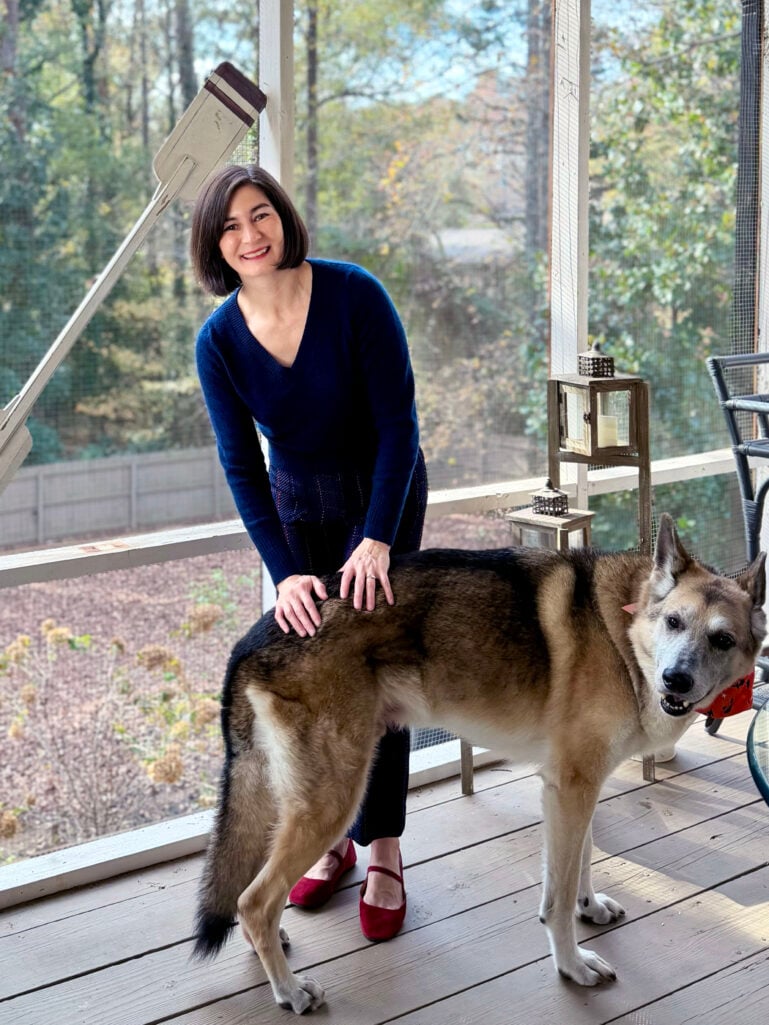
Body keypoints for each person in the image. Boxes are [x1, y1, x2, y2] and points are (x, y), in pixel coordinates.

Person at [190, 164, 427, 942]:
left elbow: (398, 427)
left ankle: (382, 843)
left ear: (283, 218)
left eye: (260, 214)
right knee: (313, 677)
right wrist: (284, 569)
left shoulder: (355, 294)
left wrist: (377, 538)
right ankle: (327, 838)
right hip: (296, 511)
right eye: (230, 225)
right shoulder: (217, 341)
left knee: (378, 672)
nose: (249, 234)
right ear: (214, 245)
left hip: (382, 496)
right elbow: (241, 465)